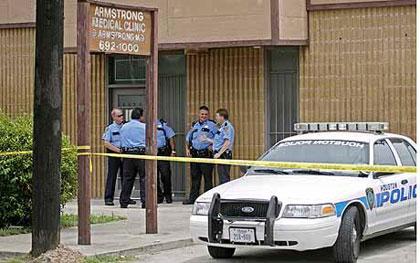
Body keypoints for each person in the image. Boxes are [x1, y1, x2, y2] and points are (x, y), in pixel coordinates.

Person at [183, 106, 218, 205]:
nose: (204, 116)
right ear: (199, 114)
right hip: (195, 155)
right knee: (195, 178)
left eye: (206, 114)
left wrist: (212, 144)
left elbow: (218, 139)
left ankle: (208, 200)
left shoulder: (212, 125)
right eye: (202, 114)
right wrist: (187, 149)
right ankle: (193, 199)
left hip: (206, 155)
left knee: (207, 179)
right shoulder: (195, 126)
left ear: (208, 115)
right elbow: (188, 138)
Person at [119, 108, 146, 208]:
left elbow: (121, 141)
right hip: (141, 154)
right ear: (141, 116)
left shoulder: (124, 127)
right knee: (144, 178)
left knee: (127, 179)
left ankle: (124, 201)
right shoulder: (144, 127)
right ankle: (145, 201)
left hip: (128, 154)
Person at [102, 108, 128, 206]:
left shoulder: (126, 126)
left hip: (125, 154)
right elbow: (106, 143)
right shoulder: (110, 128)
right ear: (113, 116)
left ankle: (125, 197)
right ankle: (109, 198)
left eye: (122, 115)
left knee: (126, 176)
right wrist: (118, 151)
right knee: (112, 176)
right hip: (114, 154)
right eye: (119, 116)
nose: (122, 117)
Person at [212, 108, 235, 184]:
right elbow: (219, 142)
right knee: (221, 177)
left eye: (217, 116)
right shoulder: (221, 127)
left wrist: (219, 153)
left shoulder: (226, 126)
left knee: (224, 178)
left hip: (224, 155)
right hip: (221, 154)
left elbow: (227, 142)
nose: (216, 118)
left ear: (222, 117)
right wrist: (207, 139)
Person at [156, 119, 177, 203]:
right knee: (154, 177)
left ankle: (168, 195)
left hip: (162, 153)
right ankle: (158, 196)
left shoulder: (163, 126)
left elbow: (171, 138)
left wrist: (173, 150)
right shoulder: (145, 126)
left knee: (165, 175)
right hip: (151, 154)